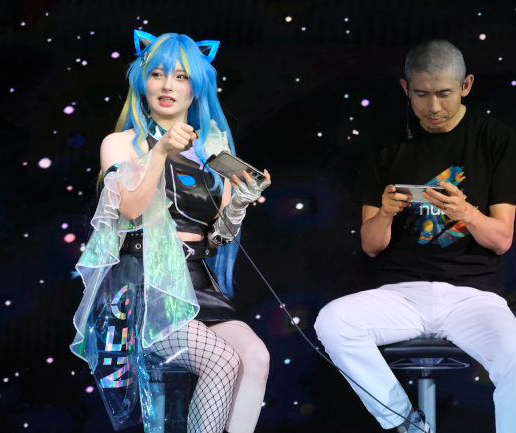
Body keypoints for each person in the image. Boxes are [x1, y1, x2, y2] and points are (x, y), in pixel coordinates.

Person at [70, 30, 271, 433]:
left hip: (198, 282)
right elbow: (130, 208)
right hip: (143, 285)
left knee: (256, 357)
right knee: (220, 360)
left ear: (196, 88)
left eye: (181, 77)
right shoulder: (121, 144)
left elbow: (216, 239)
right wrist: (160, 150)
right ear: (142, 81)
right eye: (158, 74)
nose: (167, 86)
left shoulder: (212, 153)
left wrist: (239, 203)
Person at [315, 39, 516, 433]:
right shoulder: (388, 141)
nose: (433, 107)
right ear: (406, 88)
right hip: (401, 294)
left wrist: (465, 212)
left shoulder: (495, 139)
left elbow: (501, 239)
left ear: (466, 85)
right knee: (333, 321)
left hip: (473, 295)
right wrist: (386, 213)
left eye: (444, 94)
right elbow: (371, 245)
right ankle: (407, 423)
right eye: (422, 95)